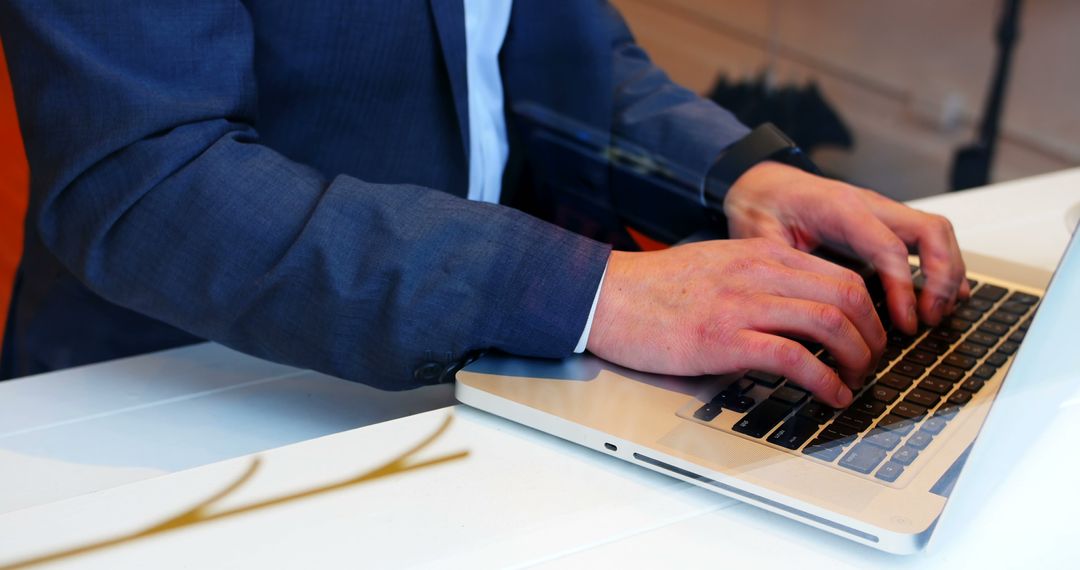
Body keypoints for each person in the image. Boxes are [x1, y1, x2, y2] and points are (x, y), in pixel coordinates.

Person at [0, 1, 966, 409]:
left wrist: (739, 181)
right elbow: (150, 179)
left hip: (474, 375)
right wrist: (591, 293)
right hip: (181, 403)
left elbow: (550, 52)